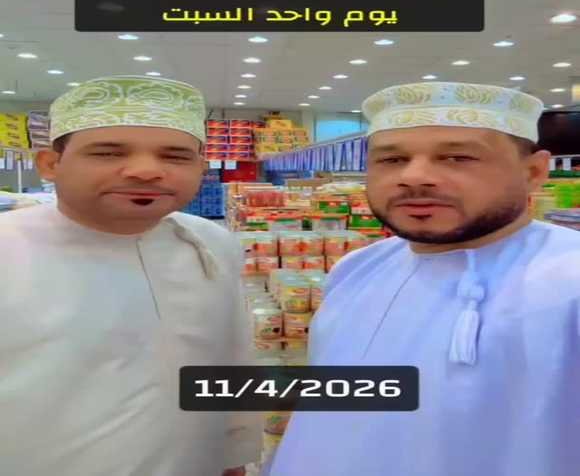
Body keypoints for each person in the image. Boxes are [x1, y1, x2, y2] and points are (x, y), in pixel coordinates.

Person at [266, 82, 580, 476]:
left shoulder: (568, 280)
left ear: (533, 172)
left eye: (457, 157)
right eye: (392, 159)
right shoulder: (356, 268)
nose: (414, 176)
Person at [0, 76, 261, 476]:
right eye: (108, 153)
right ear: (50, 164)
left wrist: (234, 454)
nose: (146, 171)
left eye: (175, 156)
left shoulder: (211, 244)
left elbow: (232, 359)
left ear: (200, 167)